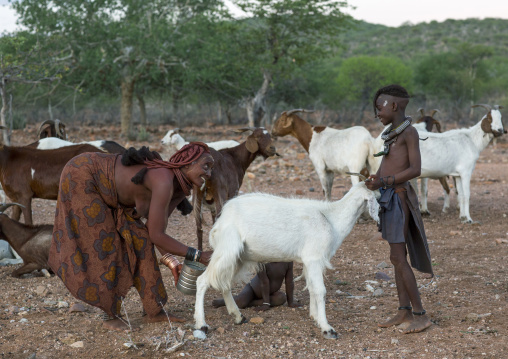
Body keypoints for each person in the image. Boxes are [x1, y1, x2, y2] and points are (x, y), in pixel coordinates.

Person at [48, 143, 214, 331]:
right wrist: (197, 255)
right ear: (186, 164)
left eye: (211, 169)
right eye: (206, 166)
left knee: (140, 239)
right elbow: (157, 235)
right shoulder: (164, 180)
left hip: (109, 191)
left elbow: (153, 231)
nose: (209, 173)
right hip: (83, 175)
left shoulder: (177, 187)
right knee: (106, 244)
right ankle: (109, 315)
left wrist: (172, 262)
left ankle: (153, 310)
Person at [365, 84, 433, 334]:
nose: (377, 113)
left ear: (394, 106)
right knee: (397, 258)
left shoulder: (409, 133)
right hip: (389, 197)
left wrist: (385, 181)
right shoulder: (392, 133)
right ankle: (404, 310)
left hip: (399, 198)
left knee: (396, 257)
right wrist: (377, 179)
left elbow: (415, 169)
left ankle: (420, 314)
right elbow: (388, 165)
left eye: (380, 107)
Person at [211, 262, 302, 311]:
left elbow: (289, 281)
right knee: (241, 303)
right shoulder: (262, 259)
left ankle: (251, 302)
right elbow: (264, 282)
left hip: (269, 293)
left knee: (281, 298)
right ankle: (224, 301)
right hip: (253, 289)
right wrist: (266, 303)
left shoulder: (287, 260)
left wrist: (291, 302)